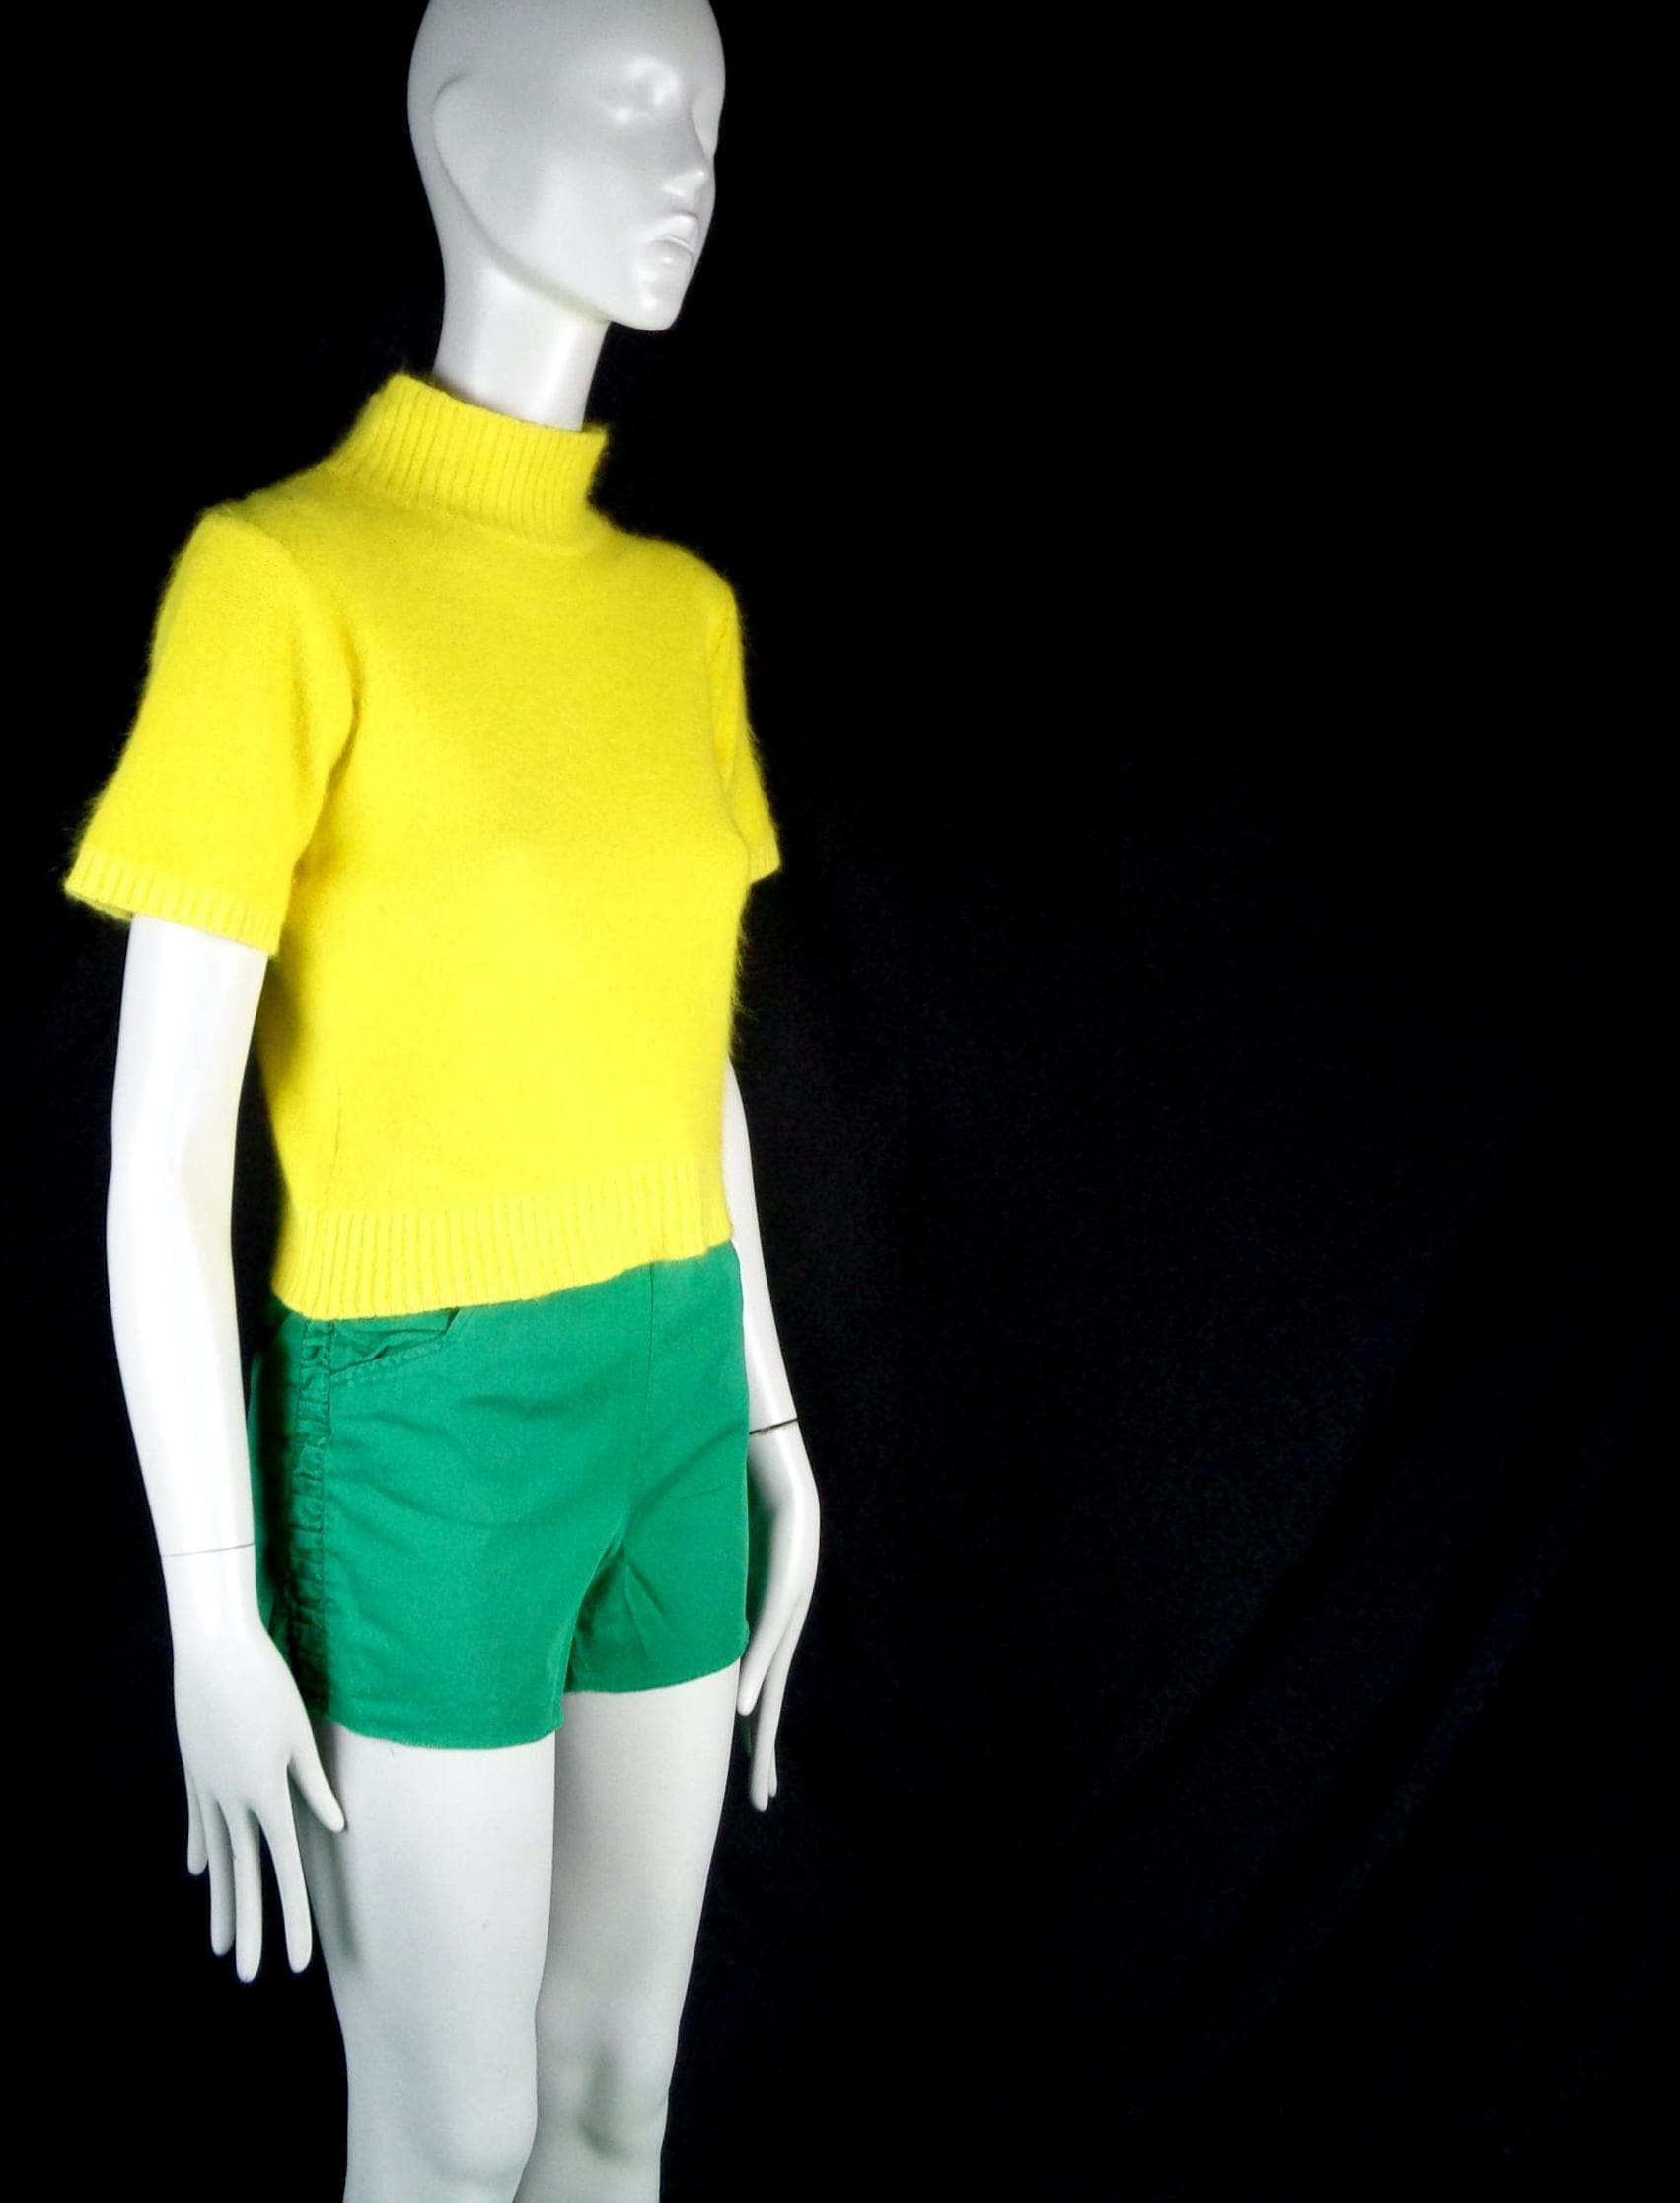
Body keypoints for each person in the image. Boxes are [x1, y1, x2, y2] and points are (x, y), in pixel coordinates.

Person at [58, 2, 820, 2196]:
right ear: (464, 127)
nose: (691, 162)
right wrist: (210, 1602)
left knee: (614, 2092)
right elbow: (160, 1157)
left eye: (712, 117)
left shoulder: (679, 617)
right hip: (431, 1425)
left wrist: (770, 1419)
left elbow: (689, 1052)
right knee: (451, 2127)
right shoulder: (285, 582)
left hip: (674, 1384)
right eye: (638, 102)